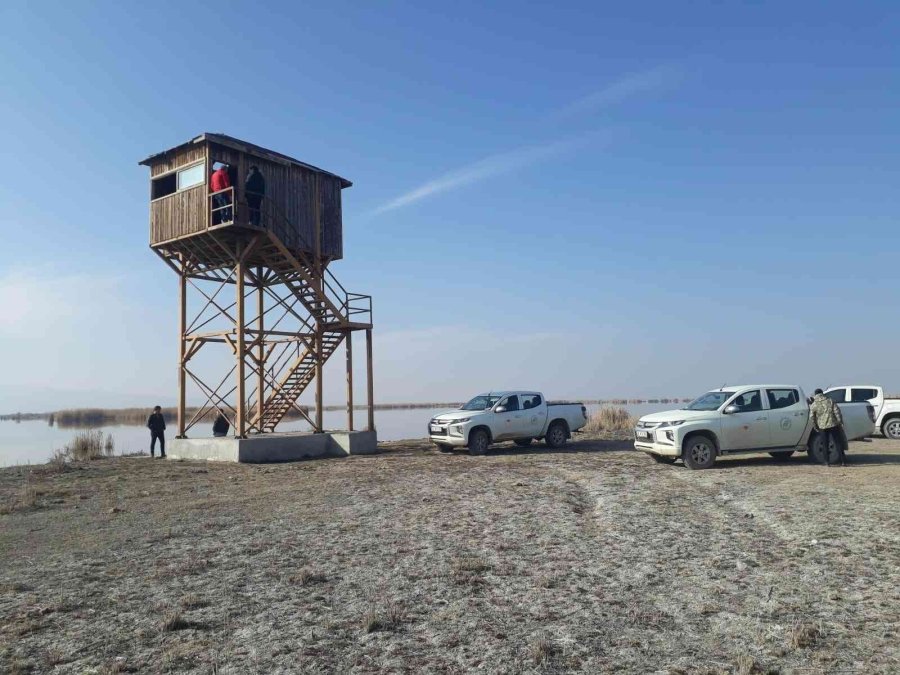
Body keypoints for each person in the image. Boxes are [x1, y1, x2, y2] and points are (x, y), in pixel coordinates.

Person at [809, 388, 845, 466]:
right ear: (822, 393)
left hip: (822, 426)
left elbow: (812, 417)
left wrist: (815, 426)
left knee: (824, 444)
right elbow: (837, 411)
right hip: (833, 424)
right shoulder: (830, 400)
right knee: (837, 442)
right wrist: (840, 421)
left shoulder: (814, 404)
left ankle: (827, 462)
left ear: (815, 394)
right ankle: (843, 461)